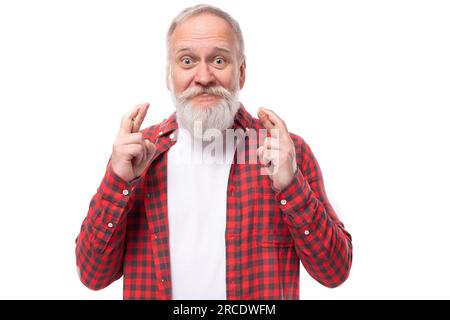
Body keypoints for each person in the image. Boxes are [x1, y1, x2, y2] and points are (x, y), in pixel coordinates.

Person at [75, 4, 352, 300]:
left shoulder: (286, 152)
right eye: (187, 61)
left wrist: (290, 185)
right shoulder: (137, 156)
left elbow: (334, 272)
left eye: (219, 60)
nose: (204, 77)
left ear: (241, 72)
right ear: (169, 74)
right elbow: (93, 277)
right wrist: (119, 182)